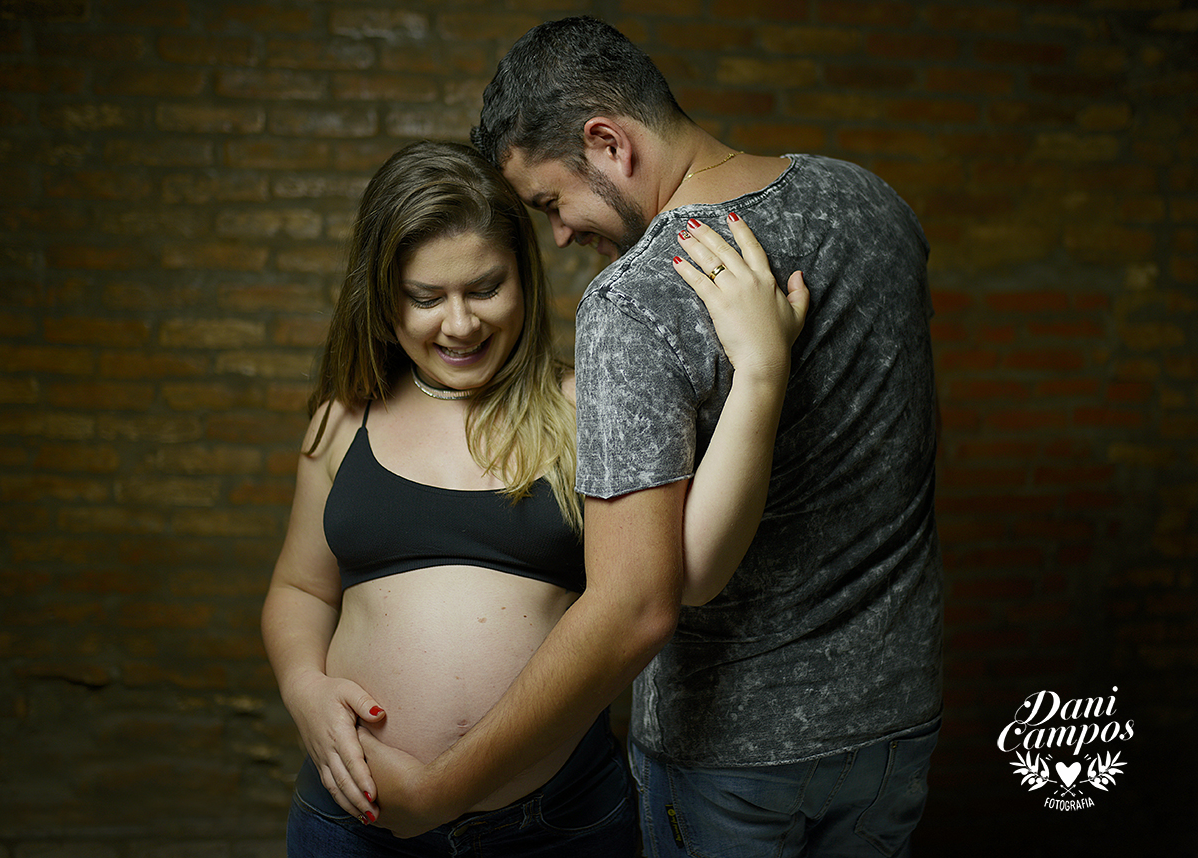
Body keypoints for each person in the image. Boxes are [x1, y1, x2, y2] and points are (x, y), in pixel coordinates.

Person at [354, 16, 944, 856]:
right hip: (898, 723)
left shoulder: (633, 301)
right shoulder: (875, 205)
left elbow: (647, 595)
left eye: (553, 201)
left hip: (734, 752)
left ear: (608, 143)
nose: (559, 235)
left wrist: (445, 791)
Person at [261, 140, 807, 856]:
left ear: (524, 273)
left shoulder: (589, 405)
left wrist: (762, 373)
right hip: (354, 817)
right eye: (426, 298)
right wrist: (304, 688)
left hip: (552, 826)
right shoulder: (344, 419)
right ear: (382, 298)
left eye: (484, 287)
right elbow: (299, 589)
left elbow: (697, 567)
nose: (460, 324)